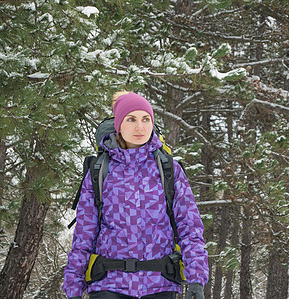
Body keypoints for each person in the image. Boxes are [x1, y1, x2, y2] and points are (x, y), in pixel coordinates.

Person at [63, 91, 209, 299]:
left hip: (160, 284)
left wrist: (196, 278)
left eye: (145, 119)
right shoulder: (99, 170)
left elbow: (190, 227)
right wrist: (73, 286)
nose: (140, 127)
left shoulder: (169, 169)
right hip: (108, 285)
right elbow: (84, 235)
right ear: (119, 124)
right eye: (131, 119)